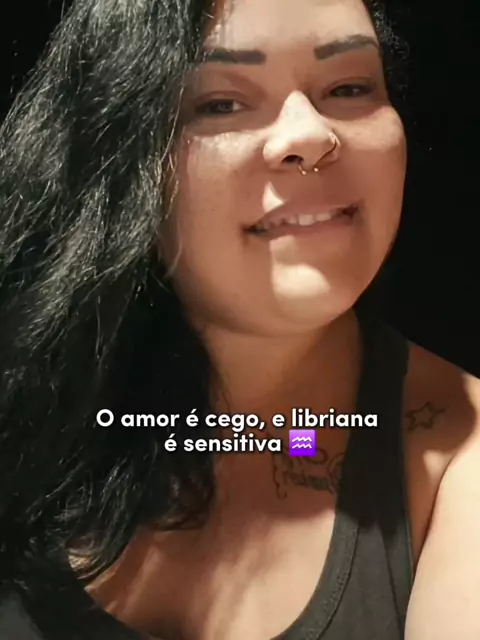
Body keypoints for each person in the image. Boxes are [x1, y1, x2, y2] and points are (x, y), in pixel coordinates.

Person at [0, 0, 479, 638]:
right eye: (221, 102)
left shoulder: (461, 457)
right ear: (116, 149)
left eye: (349, 88)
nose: (310, 135)